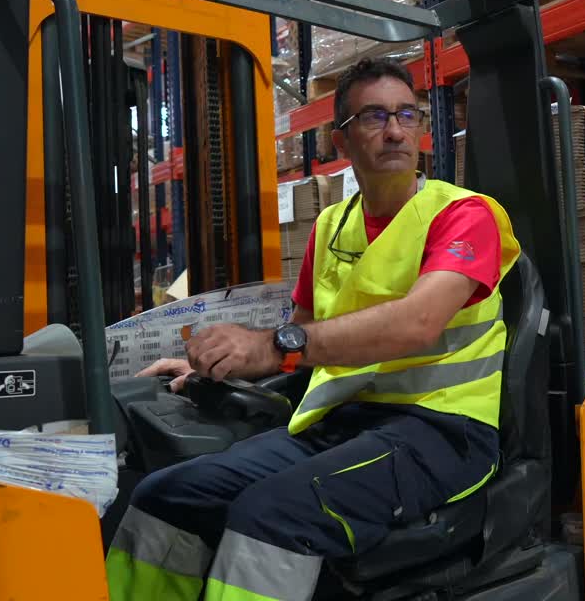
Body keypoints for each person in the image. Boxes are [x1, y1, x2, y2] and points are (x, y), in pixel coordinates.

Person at [105, 58, 520, 601]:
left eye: (406, 115)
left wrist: (270, 345)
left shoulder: (464, 215)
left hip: (440, 431)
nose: (396, 131)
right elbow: (300, 337)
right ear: (339, 139)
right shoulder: (332, 224)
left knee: (271, 514)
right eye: (374, 117)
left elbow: (419, 323)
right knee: (168, 494)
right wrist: (224, 362)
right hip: (343, 421)